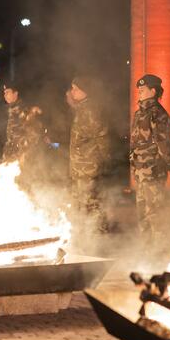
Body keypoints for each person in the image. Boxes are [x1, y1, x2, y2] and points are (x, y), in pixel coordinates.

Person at [130, 74, 170, 244]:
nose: (139, 92)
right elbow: (135, 142)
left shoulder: (158, 114)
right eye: (138, 90)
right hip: (141, 170)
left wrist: (167, 162)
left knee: (154, 211)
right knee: (142, 212)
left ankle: (159, 250)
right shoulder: (140, 113)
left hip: (153, 169)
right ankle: (146, 250)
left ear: (153, 91)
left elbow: (163, 141)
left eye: (143, 90)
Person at [67, 76, 111, 233]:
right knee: (83, 203)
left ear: (86, 90)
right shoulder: (82, 109)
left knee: (92, 203)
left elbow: (102, 137)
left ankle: (100, 235)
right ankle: (88, 236)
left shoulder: (91, 110)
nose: (72, 92)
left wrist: (103, 161)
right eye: (72, 88)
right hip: (80, 167)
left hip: (89, 167)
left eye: (76, 88)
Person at [1, 82, 45, 182]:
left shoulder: (24, 110)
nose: (5, 95)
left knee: (23, 186)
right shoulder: (11, 110)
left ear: (15, 93)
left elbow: (33, 134)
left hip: (22, 158)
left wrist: (24, 153)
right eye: (4, 93)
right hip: (11, 155)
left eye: (8, 92)